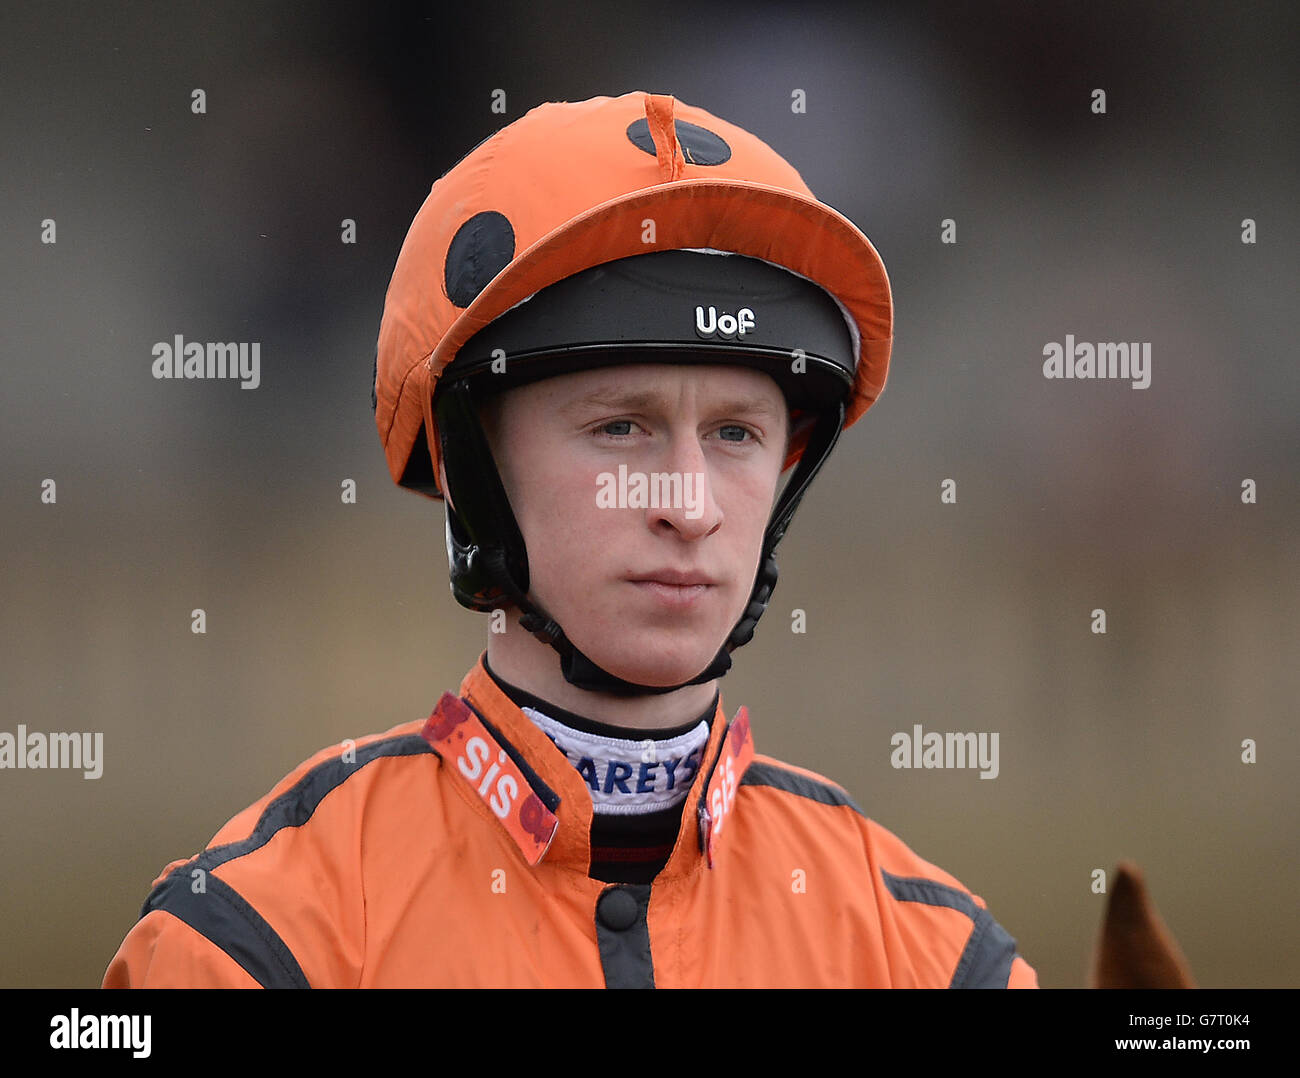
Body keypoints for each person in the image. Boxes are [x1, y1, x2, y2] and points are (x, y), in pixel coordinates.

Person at [103, 91, 1037, 988]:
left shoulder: (936, 956)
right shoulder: (252, 942)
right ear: (475, 469)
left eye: (736, 434)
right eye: (620, 427)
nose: (690, 504)